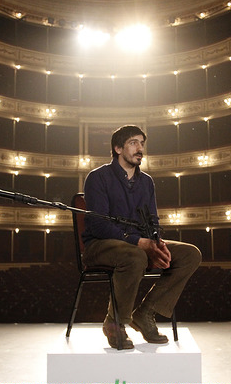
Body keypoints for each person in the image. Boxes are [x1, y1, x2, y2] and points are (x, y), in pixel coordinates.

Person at [82, 125, 202, 350]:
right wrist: (139, 243)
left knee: (190, 254)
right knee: (135, 256)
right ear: (118, 148)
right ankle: (115, 323)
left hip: (138, 245)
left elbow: (152, 220)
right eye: (133, 143)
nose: (140, 149)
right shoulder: (97, 177)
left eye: (142, 143)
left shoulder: (146, 181)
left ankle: (145, 314)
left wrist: (156, 243)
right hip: (100, 245)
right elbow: (99, 226)